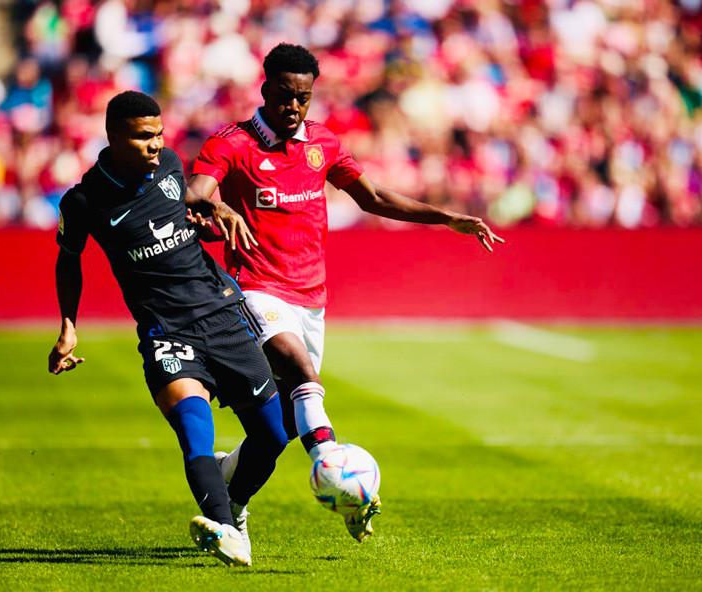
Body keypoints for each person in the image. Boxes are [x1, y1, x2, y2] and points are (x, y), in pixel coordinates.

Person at [186, 43, 505, 543]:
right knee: (301, 372)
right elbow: (194, 195)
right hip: (256, 288)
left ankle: (233, 494)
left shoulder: (323, 143)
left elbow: (372, 198)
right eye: (285, 95)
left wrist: (445, 217)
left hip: (311, 298)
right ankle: (340, 475)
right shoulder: (232, 143)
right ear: (266, 89)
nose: (294, 106)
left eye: (304, 97)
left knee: (279, 430)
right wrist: (218, 208)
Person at [48, 91, 288, 567]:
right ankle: (226, 529)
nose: (156, 144)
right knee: (194, 430)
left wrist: (214, 213)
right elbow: (68, 259)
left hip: (223, 316)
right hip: (167, 332)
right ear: (113, 136)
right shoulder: (84, 200)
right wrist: (68, 326)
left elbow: (188, 212)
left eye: (159, 133)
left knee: (272, 439)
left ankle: (233, 501)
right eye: (144, 136)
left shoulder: (172, 166)